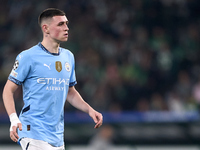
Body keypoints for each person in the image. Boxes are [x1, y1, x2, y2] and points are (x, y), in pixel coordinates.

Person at [2, 8, 103, 150]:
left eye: (67, 24)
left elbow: (70, 92)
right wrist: (13, 119)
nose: (66, 28)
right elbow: (8, 90)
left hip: (57, 135)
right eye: (61, 24)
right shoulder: (28, 56)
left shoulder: (68, 57)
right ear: (46, 29)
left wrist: (90, 110)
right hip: (32, 130)